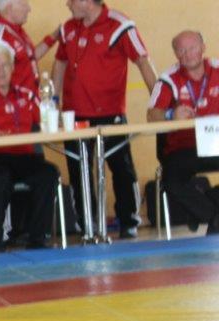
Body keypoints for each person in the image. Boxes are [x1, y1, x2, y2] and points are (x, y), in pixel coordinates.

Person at [51, 0, 156, 239]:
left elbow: (143, 60)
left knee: (122, 168)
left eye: (71, 0)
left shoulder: (120, 24)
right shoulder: (68, 28)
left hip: (110, 113)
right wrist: (54, 103)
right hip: (75, 115)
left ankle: (129, 220)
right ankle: (88, 223)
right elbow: (60, 62)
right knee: (79, 171)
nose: (67, 4)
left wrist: (159, 102)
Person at [0, 46, 62, 251]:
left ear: (13, 67)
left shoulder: (27, 95)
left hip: (24, 157)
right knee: (0, 179)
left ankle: (38, 239)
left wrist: (55, 120)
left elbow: (46, 120)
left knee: (49, 173)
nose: (1, 70)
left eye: (5, 65)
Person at [147, 31, 219, 235]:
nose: (187, 54)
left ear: (203, 48)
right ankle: (213, 215)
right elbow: (151, 115)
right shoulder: (168, 79)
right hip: (184, 147)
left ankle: (210, 202)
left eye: (192, 48)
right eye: (181, 50)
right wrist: (171, 114)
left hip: (216, 145)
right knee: (172, 179)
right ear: (176, 54)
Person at [0, 0, 61, 92]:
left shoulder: (16, 29)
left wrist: (54, 36)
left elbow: (28, 58)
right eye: (24, 5)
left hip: (29, 98)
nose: (29, 9)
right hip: (15, 100)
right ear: (10, 8)